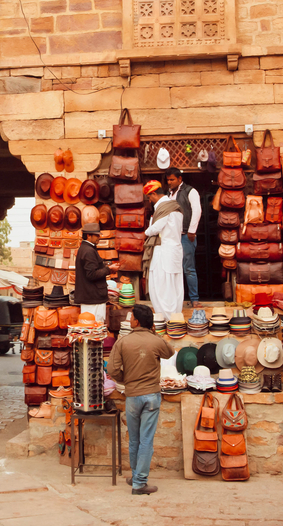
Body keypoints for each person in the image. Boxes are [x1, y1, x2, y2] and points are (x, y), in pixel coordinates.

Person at [106, 304, 173, 495]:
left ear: (137, 321)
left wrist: (124, 380)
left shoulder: (123, 342)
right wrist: (155, 334)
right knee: (146, 441)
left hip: (133, 395)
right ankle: (139, 482)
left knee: (135, 440)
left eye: (131, 317)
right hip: (151, 395)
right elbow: (170, 352)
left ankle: (137, 478)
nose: (129, 319)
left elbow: (112, 370)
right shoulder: (155, 341)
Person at [141, 180, 184, 319]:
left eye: (149, 197)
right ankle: (174, 317)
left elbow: (156, 228)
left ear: (153, 194)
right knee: (173, 285)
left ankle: (167, 318)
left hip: (164, 251)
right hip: (174, 250)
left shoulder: (164, 207)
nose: (149, 200)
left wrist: (145, 233)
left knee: (162, 286)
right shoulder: (175, 206)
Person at [166, 168, 201, 305]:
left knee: (188, 268)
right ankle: (177, 300)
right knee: (174, 268)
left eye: (172, 179)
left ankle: (194, 299)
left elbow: (197, 210)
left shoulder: (190, 191)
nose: (169, 182)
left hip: (186, 235)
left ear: (180, 179)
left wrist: (192, 231)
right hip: (172, 237)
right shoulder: (169, 194)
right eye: (168, 180)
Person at [74, 222, 118, 321]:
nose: (99, 237)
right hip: (92, 298)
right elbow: (91, 274)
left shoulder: (86, 249)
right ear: (89, 235)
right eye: (96, 235)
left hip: (90, 297)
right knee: (94, 328)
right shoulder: (88, 251)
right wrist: (109, 269)